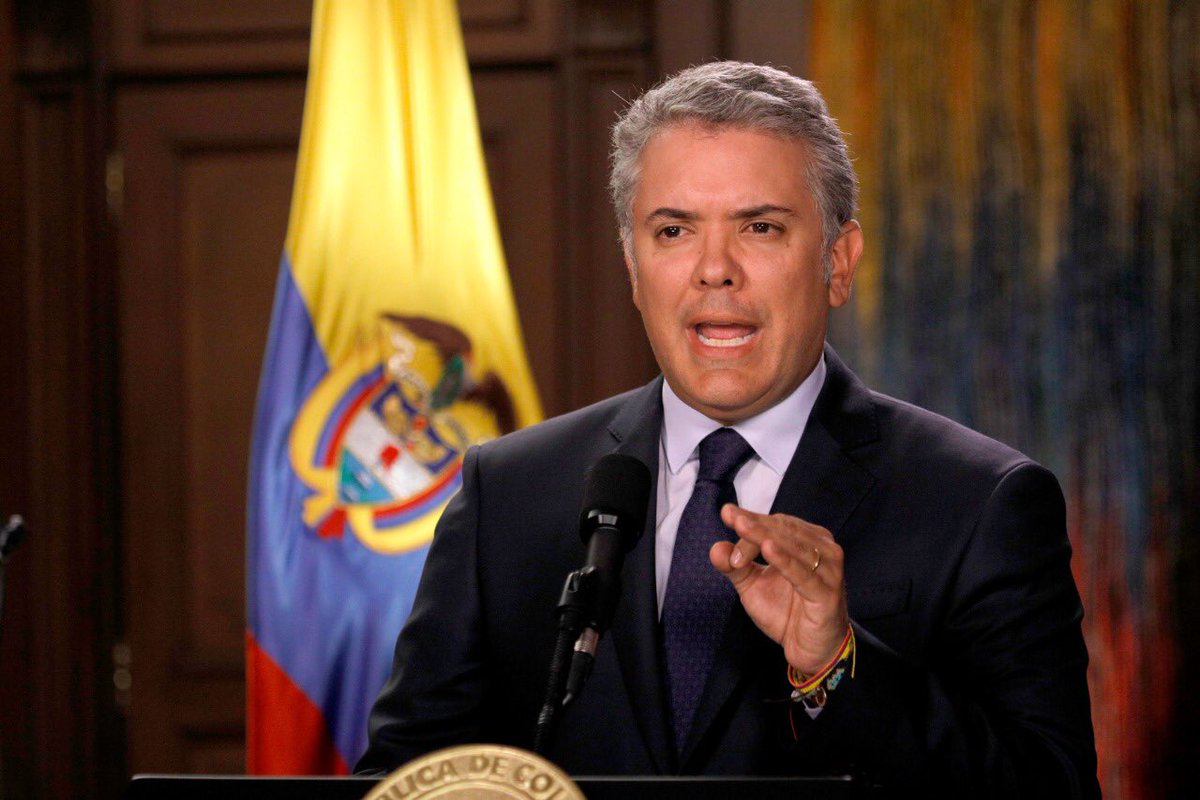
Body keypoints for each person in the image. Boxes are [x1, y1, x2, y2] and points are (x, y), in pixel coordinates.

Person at [356, 61, 1099, 797]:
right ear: (634, 267)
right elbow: (404, 781)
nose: (714, 269)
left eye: (761, 227)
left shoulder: (980, 503)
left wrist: (834, 665)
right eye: (674, 230)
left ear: (838, 262)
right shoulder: (510, 492)